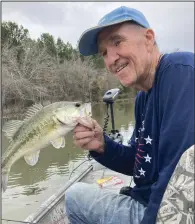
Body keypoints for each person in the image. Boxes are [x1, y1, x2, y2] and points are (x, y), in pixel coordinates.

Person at [65, 6, 194, 224]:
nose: (111, 59)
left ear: (149, 38)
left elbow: (177, 182)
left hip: (166, 212)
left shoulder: (181, 73)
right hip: (150, 202)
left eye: (117, 42)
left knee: (74, 197)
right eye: (104, 53)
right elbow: (138, 163)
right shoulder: (143, 97)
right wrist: (102, 146)